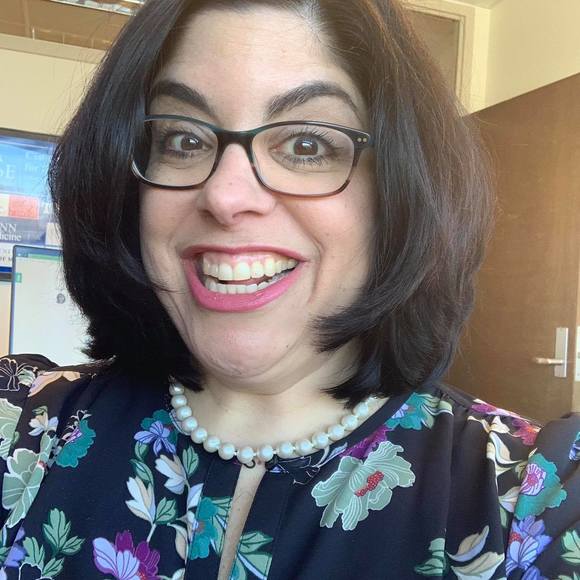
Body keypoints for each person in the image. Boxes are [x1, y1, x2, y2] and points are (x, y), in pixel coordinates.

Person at [0, 0, 578, 578]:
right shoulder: (18, 429)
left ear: (401, 188)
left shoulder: (533, 502)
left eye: (307, 145)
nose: (226, 196)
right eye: (182, 140)